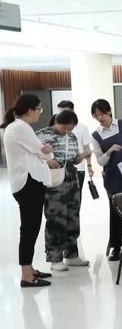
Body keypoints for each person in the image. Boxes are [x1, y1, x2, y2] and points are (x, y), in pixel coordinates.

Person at [2, 95, 54, 287]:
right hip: (29, 183)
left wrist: (44, 151)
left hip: (27, 183)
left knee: (30, 227)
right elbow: (43, 152)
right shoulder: (21, 128)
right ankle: (26, 275)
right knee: (29, 229)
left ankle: (29, 268)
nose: (40, 113)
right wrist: (46, 150)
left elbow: (41, 152)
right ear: (30, 110)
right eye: (39, 109)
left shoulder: (17, 127)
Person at [36, 110, 91, 271]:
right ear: (56, 122)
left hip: (72, 178)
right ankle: (55, 258)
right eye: (64, 128)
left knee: (73, 217)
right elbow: (33, 157)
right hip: (53, 181)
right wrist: (47, 161)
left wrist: (83, 156)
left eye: (70, 129)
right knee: (56, 219)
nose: (66, 131)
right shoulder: (41, 135)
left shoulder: (72, 136)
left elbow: (73, 159)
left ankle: (72, 255)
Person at [90, 99, 122, 262]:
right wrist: (109, 151)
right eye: (96, 115)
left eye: (102, 114)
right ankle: (116, 246)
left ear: (109, 111)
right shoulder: (96, 135)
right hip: (114, 177)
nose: (100, 118)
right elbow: (100, 161)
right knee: (116, 211)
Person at [55, 101, 93, 196]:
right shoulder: (55, 128)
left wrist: (89, 166)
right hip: (59, 170)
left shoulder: (82, 127)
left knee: (76, 198)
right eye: (60, 113)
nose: (63, 115)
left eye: (65, 112)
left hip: (78, 169)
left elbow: (86, 148)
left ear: (72, 111)